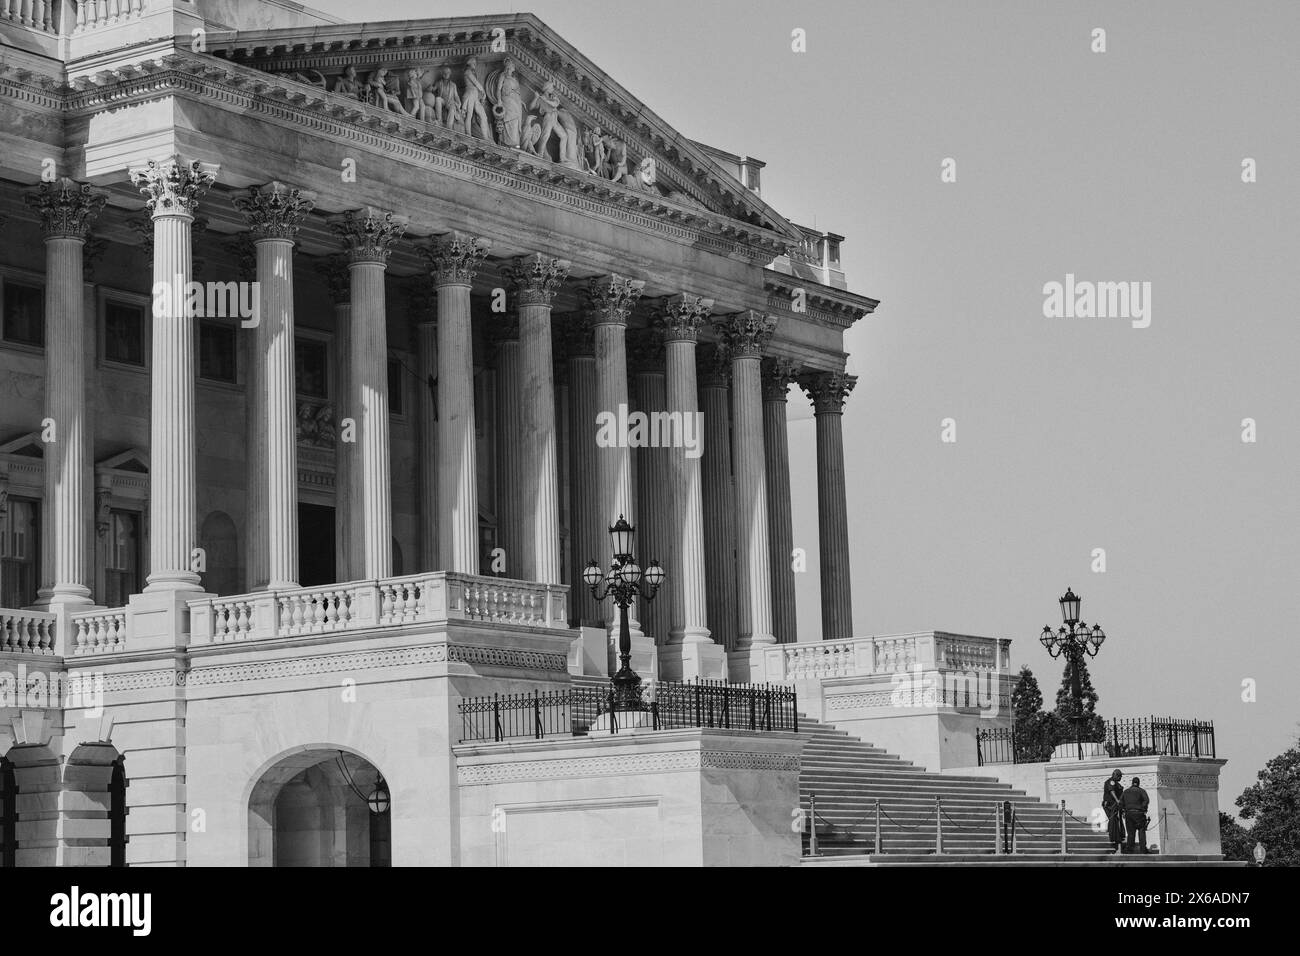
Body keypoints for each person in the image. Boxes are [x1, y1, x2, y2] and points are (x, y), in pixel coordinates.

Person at [1121, 776, 1151, 853]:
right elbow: (1146, 800)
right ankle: (1143, 849)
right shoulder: (1142, 791)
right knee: (1141, 832)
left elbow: (1121, 802)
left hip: (1129, 814)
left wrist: (1124, 810)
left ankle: (1130, 849)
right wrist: (1143, 808)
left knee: (1131, 833)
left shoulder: (1126, 791)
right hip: (1139, 814)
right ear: (1138, 783)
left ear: (1132, 783)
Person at [1102, 769, 1125, 853]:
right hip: (1109, 805)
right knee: (1113, 820)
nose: (1121, 777)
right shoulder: (1111, 782)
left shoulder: (1117, 784)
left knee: (1115, 821)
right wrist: (1117, 800)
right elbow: (1112, 791)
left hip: (1114, 806)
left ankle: (1115, 837)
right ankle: (1113, 838)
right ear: (1115, 775)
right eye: (1119, 776)